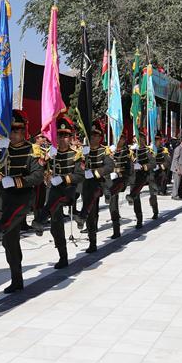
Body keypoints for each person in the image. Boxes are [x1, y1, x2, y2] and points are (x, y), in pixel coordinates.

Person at [0, 109, 44, 293]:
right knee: (10, 242)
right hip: (2, 198)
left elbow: (38, 176)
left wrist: (17, 181)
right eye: (12, 130)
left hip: (22, 197)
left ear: (24, 130)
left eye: (19, 130)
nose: (15, 134)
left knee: (7, 228)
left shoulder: (32, 150)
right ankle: (16, 278)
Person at [42, 112, 84, 269]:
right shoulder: (51, 154)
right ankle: (62, 255)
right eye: (59, 135)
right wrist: (46, 167)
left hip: (68, 191)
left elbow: (79, 176)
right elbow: (42, 171)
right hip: (53, 192)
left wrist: (64, 178)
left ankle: (63, 255)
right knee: (55, 227)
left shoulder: (75, 155)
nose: (62, 139)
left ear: (71, 137)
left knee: (56, 211)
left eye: (65, 135)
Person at [75, 118, 113, 252]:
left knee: (91, 207)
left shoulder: (105, 151)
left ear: (100, 137)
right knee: (91, 210)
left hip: (99, 183)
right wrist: (83, 160)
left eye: (96, 135)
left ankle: (91, 239)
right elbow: (76, 168)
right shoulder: (83, 151)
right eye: (91, 135)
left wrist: (95, 172)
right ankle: (91, 235)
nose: (93, 137)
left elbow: (110, 166)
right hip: (86, 184)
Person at [127, 127, 159, 228]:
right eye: (136, 138)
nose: (137, 140)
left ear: (144, 139)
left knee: (152, 195)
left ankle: (155, 210)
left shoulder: (147, 150)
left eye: (140, 138)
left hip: (147, 175)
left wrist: (143, 166)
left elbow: (153, 163)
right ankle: (139, 219)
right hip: (136, 176)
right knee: (135, 197)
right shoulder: (132, 151)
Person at [106, 130, 132, 240]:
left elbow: (128, 170)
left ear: (124, 140)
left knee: (113, 200)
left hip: (121, 180)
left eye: (121, 138)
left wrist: (117, 172)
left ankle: (116, 230)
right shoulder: (109, 150)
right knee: (112, 203)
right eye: (117, 137)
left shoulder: (126, 152)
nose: (118, 140)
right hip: (110, 180)